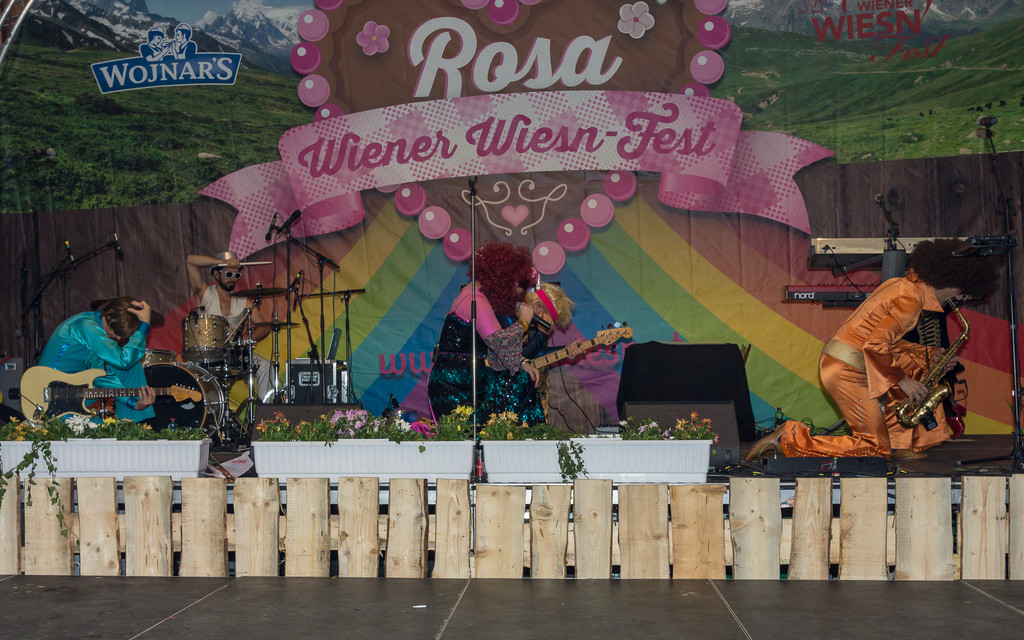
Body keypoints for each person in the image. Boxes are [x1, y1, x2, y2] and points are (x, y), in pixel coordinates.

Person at [745, 238, 998, 461]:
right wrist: (904, 382)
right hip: (847, 368)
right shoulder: (910, 301)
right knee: (874, 448)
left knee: (918, 365)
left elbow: (883, 342)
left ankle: (899, 442)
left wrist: (931, 356)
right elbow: (875, 346)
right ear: (952, 283)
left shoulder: (904, 287)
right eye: (961, 294)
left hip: (849, 363)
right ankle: (788, 439)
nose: (957, 300)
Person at [427, 242, 545, 426]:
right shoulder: (476, 300)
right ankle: (525, 435)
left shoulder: (472, 295)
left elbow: (495, 350)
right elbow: (500, 344)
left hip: (466, 380)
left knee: (520, 380)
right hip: (456, 385)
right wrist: (523, 322)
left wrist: (522, 364)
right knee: (517, 387)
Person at [34, 297, 156, 422]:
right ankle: (127, 427)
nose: (119, 338)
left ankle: (131, 423)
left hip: (74, 392)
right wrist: (144, 325)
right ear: (108, 314)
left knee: (132, 367)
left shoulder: (94, 329)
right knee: (128, 364)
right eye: (117, 331)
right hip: (53, 398)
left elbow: (101, 375)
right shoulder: (85, 325)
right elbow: (124, 361)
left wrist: (134, 403)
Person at [186, 251, 273, 402]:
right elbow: (190, 260)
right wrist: (223, 262)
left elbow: (264, 327)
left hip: (235, 356)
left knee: (266, 367)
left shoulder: (243, 300)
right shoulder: (204, 293)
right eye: (228, 274)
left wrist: (245, 339)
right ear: (216, 274)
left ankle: (265, 412)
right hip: (206, 356)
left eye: (236, 275)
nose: (233, 278)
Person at [520, 282, 585, 420]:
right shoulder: (511, 318)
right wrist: (542, 333)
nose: (543, 318)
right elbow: (519, 358)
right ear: (538, 305)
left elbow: (534, 354)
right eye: (544, 314)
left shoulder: (533, 325)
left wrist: (566, 351)